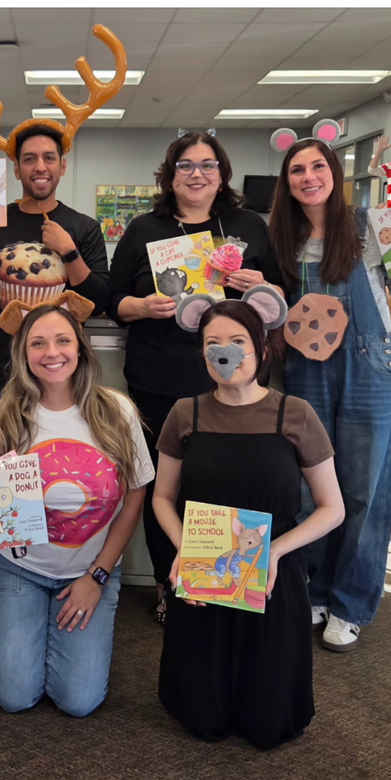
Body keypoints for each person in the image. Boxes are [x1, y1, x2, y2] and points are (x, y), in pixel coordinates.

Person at [270, 137, 391, 651]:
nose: (308, 177)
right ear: (285, 181)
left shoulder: (370, 226)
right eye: (296, 170)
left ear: (333, 171)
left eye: (317, 166)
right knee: (311, 489)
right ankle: (313, 587)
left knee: (362, 492)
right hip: (306, 371)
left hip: (368, 367)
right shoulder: (279, 238)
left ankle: (350, 601)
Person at [152, 291, 344, 749]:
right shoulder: (186, 413)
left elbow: (332, 508)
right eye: (214, 342)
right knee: (202, 715)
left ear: (260, 346)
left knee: (269, 720)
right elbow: (161, 497)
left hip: (272, 574)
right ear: (202, 352)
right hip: (205, 569)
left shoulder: (294, 414)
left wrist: (275, 550)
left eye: (238, 339)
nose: (226, 352)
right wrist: (186, 548)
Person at [107, 132, 284, 625]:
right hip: (158, 378)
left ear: (222, 174)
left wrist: (261, 285)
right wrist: (140, 306)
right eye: (186, 165)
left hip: (233, 385)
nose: (197, 174)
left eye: (208, 165)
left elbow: (278, 299)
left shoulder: (248, 226)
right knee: (164, 487)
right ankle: (170, 581)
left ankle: (224, 579)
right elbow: (113, 300)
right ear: (171, 174)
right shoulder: (145, 228)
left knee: (224, 482)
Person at [0, 123, 111, 616]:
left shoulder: (83, 226)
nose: (39, 167)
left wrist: (68, 250)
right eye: (29, 159)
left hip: (57, 375)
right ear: (17, 168)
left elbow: (98, 299)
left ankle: (44, 566)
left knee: (50, 470)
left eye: (49, 158)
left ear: (62, 166)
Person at [0, 291, 153, 718]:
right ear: (23, 353)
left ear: (80, 348)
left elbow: (134, 498)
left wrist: (98, 575)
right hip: (18, 566)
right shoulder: (1, 418)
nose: (51, 352)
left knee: (79, 701)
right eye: (38, 343)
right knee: (14, 697)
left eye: (62, 341)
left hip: (91, 567)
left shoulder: (117, 412)